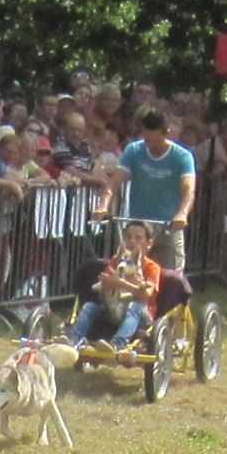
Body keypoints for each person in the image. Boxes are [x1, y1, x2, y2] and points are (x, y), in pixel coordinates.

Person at [116, 110, 198, 274]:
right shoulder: (133, 150)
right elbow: (115, 181)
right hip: (139, 226)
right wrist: (103, 204)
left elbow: (189, 189)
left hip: (169, 226)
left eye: (155, 140)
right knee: (129, 273)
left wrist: (182, 214)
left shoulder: (182, 156)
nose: (151, 145)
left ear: (166, 133)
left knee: (171, 277)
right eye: (147, 140)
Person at [72, 220, 162, 348]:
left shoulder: (152, 267)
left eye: (138, 238)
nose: (132, 241)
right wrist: (107, 285)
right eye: (128, 237)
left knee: (134, 306)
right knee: (89, 306)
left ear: (149, 243)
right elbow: (104, 286)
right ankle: (74, 341)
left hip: (141, 314)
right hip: (115, 309)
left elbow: (146, 295)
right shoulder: (117, 261)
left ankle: (117, 345)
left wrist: (120, 283)